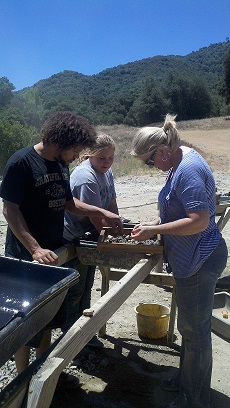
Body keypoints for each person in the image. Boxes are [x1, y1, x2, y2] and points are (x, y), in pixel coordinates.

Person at [0, 111, 123, 383]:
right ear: (62, 141)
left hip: (55, 253)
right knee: (23, 323)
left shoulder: (59, 164)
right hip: (26, 257)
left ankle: (42, 377)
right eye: (76, 148)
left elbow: (69, 203)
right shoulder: (21, 163)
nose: (78, 154)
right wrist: (34, 248)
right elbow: (10, 210)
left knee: (47, 320)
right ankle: (22, 381)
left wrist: (105, 213)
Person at [130, 114, 228, 408]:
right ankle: (187, 381)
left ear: (162, 151)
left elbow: (198, 221)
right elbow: (179, 208)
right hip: (193, 257)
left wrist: (155, 230)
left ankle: (195, 399)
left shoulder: (188, 170)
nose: (151, 168)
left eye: (149, 162)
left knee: (195, 333)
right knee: (189, 328)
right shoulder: (178, 161)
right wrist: (156, 222)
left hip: (200, 260)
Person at [62, 132, 119, 348]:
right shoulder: (86, 177)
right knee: (74, 290)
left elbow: (111, 204)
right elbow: (96, 217)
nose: (107, 162)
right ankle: (70, 339)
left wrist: (117, 226)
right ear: (89, 155)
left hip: (91, 236)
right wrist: (116, 241)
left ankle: (84, 334)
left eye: (111, 158)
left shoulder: (106, 171)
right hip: (74, 237)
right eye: (102, 158)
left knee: (87, 286)